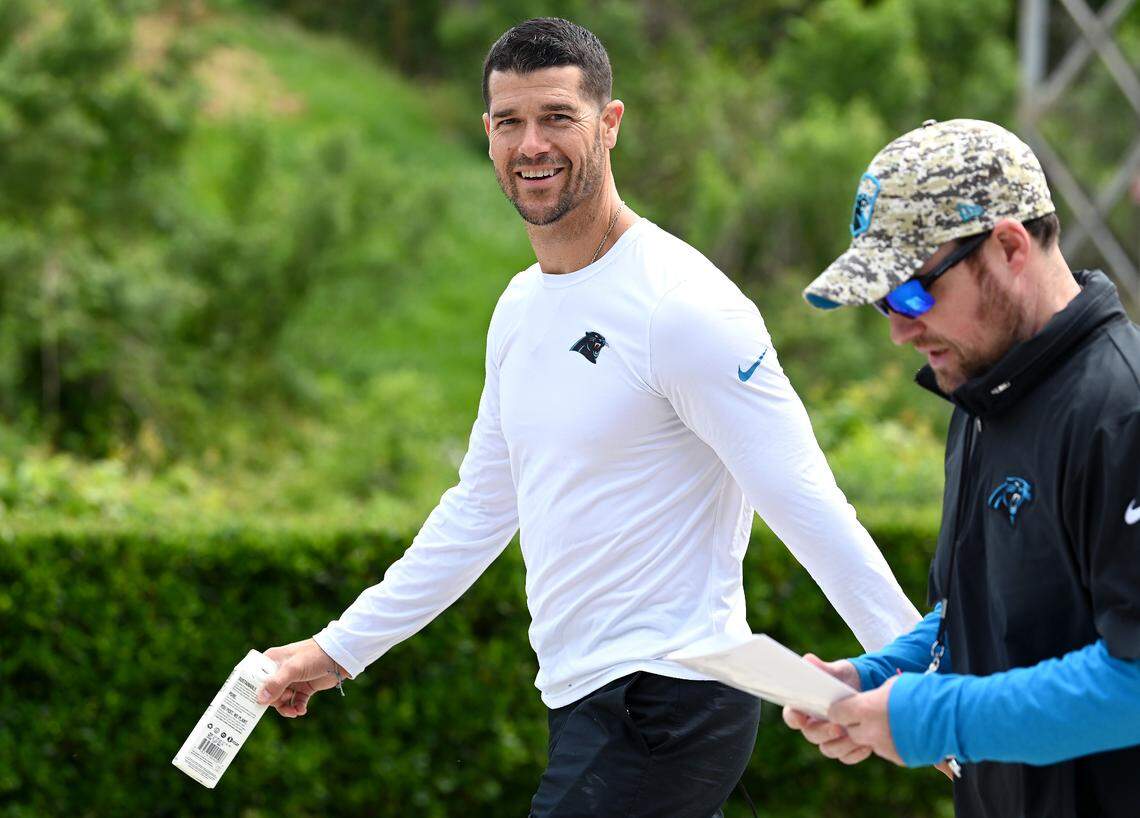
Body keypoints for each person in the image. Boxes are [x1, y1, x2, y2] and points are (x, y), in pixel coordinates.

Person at [255, 18, 919, 817]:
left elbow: (808, 504)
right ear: (488, 137)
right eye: (511, 122)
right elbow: (479, 507)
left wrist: (919, 682)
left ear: (609, 124)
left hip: (670, 698)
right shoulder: (519, 307)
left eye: (558, 117)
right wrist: (338, 651)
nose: (532, 143)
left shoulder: (684, 307)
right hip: (587, 700)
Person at [790, 118, 1140, 818]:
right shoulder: (981, 399)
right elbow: (979, 606)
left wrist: (937, 716)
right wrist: (878, 675)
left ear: (1009, 246)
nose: (898, 327)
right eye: (884, 302)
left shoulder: (1121, 411)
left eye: (914, 291)